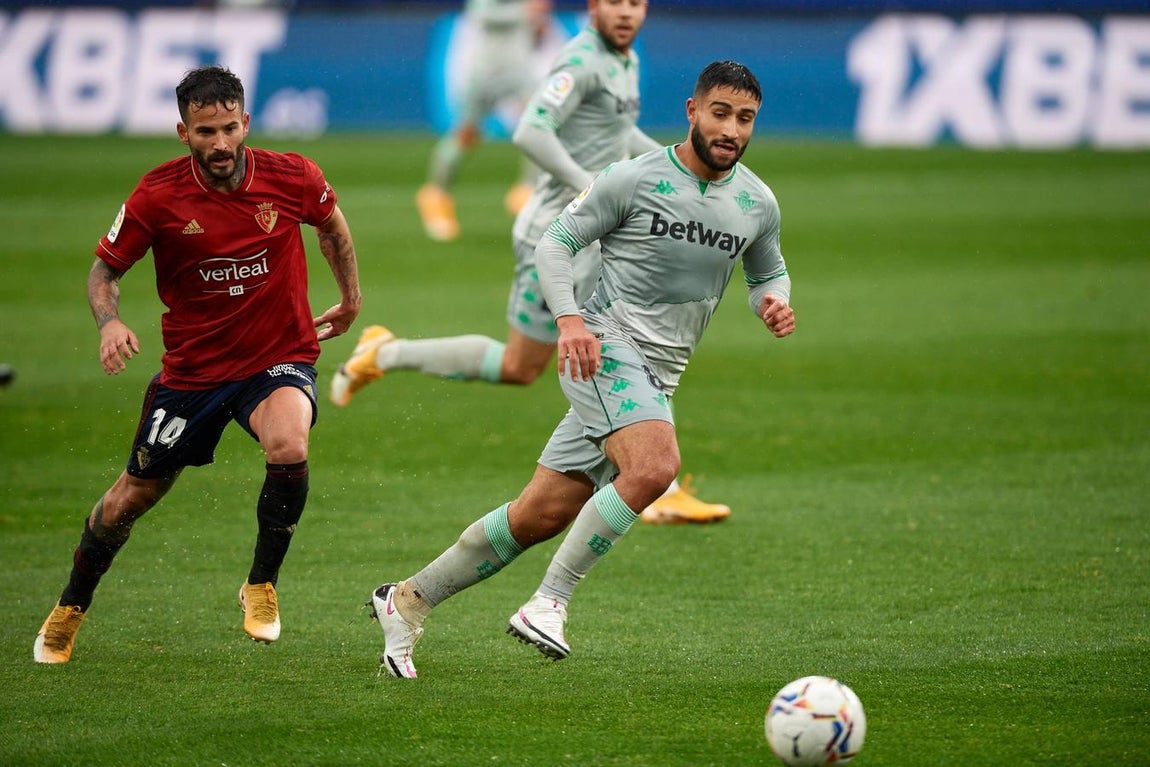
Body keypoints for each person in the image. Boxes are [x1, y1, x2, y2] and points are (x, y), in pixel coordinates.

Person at [367, 60, 794, 678]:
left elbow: (767, 271)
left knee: (538, 514)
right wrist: (569, 321)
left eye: (745, 118)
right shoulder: (632, 178)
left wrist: (772, 303)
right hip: (600, 346)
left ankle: (406, 601)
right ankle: (549, 603)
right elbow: (556, 243)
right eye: (720, 113)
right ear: (692, 111)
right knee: (654, 467)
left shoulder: (757, 201)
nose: (731, 129)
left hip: (657, 376)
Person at [334, 0, 730, 525]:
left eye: (636, 2)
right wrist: (585, 184)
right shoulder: (581, 61)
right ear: (593, 6)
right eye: (616, 2)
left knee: (520, 366)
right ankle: (660, 483)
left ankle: (385, 353)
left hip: (589, 230)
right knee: (624, 335)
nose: (627, 12)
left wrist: (671, 167)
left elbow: (618, 137)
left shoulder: (625, 61)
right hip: (559, 235)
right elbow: (530, 131)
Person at [32, 65, 363, 664]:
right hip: (193, 373)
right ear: (183, 131)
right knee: (129, 499)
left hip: (277, 356)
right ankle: (71, 606)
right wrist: (109, 323)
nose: (220, 143)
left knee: (288, 444)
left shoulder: (292, 176)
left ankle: (261, 584)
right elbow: (105, 270)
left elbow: (332, 225)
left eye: (229, 128)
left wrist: (351, 298)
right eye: (205, 131)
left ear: (246, 124)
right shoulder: (156, 196)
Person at [416, 0, 555, 241]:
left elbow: (535, 32)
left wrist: (538, 27)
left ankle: (527, 189)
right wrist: (526, 11)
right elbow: (481, 13)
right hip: (485, 75)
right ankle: (436, 193)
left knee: (540, 126)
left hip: (520, 73)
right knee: (466, 135)